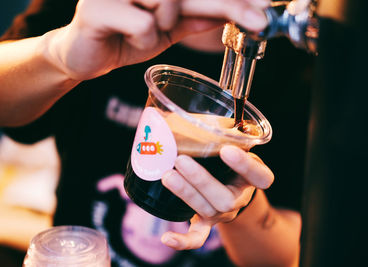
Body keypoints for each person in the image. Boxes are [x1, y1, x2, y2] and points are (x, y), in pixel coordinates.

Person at [0, 0, 313, 266]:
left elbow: (282, 256)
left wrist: (240, 204)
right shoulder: (94, 9)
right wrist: (58, 55)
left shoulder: (305, 69)